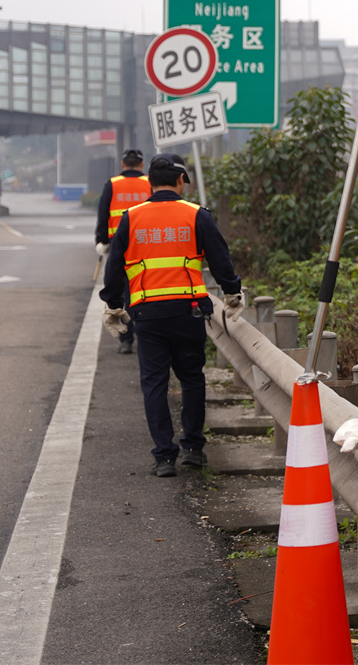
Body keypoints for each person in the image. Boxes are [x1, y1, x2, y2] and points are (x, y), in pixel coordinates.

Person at [100, 153, 245, 478]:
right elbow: (221, 258)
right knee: (192, 378)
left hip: (147, 314)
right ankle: (193, 449)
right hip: (189, 312)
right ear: (181, 181)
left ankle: (165, 457)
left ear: (150, 182)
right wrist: (232, 292)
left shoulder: (131, 217)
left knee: (154, 383)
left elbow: (115, 265)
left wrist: (112, 304)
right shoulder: (196, 214)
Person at [94, 148, 149, 353]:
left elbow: (103, 212)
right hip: (147, 246)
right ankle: (145, 334)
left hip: (120, 248)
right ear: (142, 165)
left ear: (123, 164)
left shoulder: (113, 184)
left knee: (123, 290)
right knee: (143, 289)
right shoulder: (150, 183)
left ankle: (126, 339)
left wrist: (101, 239)